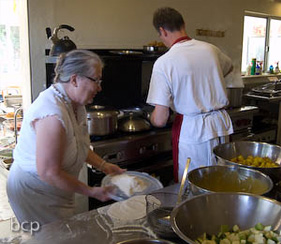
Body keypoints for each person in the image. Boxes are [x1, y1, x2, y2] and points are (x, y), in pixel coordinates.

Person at [6, 49, 126, 226]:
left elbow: (77, 146)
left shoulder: (77, 104)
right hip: (34, 192)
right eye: (96, 80)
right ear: (75, 79)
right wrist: (92, 191)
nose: (99, 87)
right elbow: (48, 173)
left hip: (56, 190)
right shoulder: (52, 115)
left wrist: (104, 165)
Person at [146, 7, 234, 183]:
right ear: (183, 25)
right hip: (220, 127)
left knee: (193, 186)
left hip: (193, 132)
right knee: (220, 181)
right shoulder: (211, 50)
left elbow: (161, 118)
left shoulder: (164, 62)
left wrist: (150, 118)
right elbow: (229, 67)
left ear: (162, 31)